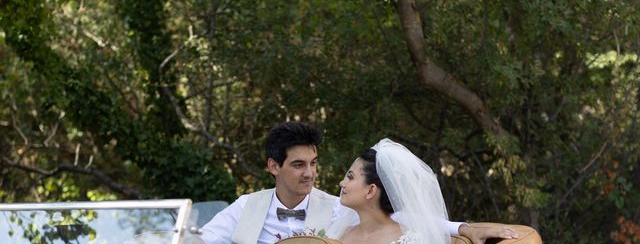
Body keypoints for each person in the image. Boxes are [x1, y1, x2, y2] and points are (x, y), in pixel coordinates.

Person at [200, 122, 518, 244]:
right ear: (274, 166)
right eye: (298, 165)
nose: (309, 173)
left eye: (313, 163)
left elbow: (400, 218)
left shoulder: (339, 210)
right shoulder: (246, 206)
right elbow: (199, 242)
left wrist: (462, 228)